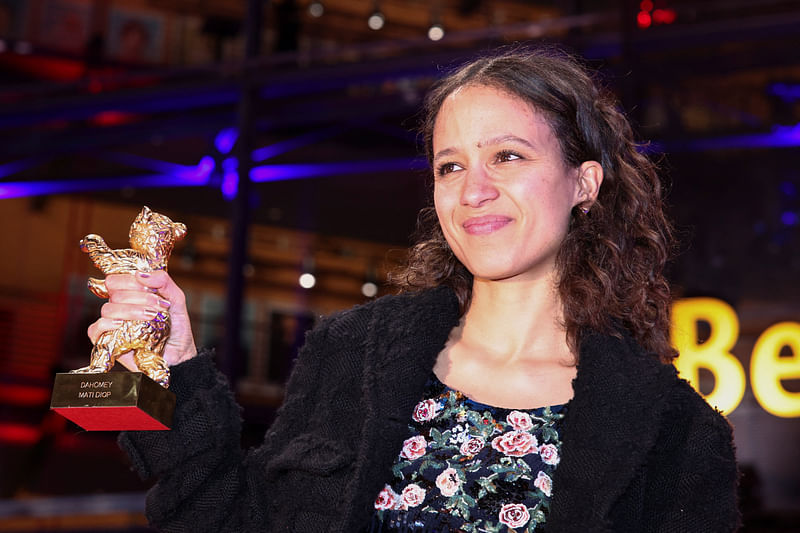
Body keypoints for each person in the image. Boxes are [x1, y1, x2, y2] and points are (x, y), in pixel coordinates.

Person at [89, 47, 740, 532]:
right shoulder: (352, 353)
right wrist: (170, 370)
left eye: (508, 156)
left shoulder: (676, 435)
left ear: (584, 184)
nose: (473, 188)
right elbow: (228, 517)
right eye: (450, 165)